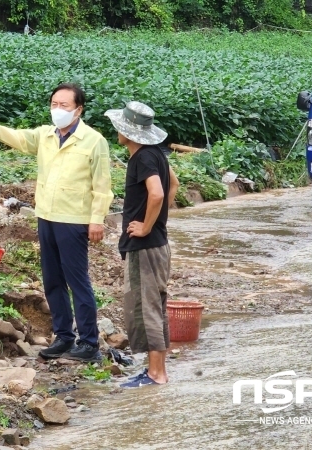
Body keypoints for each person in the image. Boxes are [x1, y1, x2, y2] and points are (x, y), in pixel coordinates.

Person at [0, 83, 114, 363]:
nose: (58, 110)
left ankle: (89, 343)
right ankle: (63, 336)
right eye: (54, 105)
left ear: (79, 110)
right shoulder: (46, 136)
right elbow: (22, 138)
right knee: (52, 280)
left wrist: (97, 220)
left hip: (73, 220)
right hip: (46, 216)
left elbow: (102, 186)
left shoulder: (94, 141)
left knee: (77, 281)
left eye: (65, 106)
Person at [104, 101, 179, 387]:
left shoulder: (143, 158)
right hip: (158, 245)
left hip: (145, 247)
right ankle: (156, 370)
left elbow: (158, 193)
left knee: (145, 308)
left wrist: (147, 225)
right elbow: (174, 184)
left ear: (130, 133)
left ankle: (156, 373)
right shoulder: (155, 154)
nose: (117, 131)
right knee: (155, 306)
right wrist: (159, 222)